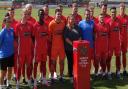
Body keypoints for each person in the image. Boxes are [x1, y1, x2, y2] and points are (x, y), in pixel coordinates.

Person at [15, 8, 34, 89]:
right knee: (19, 67)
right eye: (24, 14)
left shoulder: (30, 25)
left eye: (27, 14)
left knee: (29, 66)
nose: (26, 15)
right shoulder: (18, 25)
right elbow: (15, 38)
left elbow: (32, 37)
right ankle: (18, 83)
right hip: (21, 51)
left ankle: (29, 81)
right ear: (22, 14)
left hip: (28, 51)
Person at [33, 9, 50, 89]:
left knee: (43, 64)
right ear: (38, 15)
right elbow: (32, 38)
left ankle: (43, 79)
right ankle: (35, 81)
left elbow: (47, 35)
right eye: (40, 14)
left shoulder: (46, 24)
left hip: (44, 49)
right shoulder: (35, 25)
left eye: (43, 14)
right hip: (37, 49)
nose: (42, 15)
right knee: (36, 65)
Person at [49, 8, 65, 83]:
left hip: (61, 47)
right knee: (53, 63)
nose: (59, 15)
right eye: (57, 14)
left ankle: (61, 76)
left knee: (62, 62)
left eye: (60, 14)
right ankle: (52, 77)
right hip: (54, 47)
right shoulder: (51, 24)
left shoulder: (63, 23)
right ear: (55, 15)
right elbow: (49, 37)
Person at [63, 14, 81, 83]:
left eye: (73, 19)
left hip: (76, 49)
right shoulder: (66, 28)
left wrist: (77, 44)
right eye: (71, 19)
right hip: (69, 49)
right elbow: (66, 38)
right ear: (68, 20)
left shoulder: (77, 27)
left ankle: (76, 75)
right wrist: (73, 45)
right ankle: (70, 76)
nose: (72, 20)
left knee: (76, 62)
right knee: (70, 62)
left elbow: (80, 37)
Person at [106, 7, 121, 80]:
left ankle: (118, 72)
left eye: (114, 12)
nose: (113, 13)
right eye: (112, 12)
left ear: (116, 12)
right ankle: (108, 73)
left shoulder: (119, 21)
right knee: (109, 58)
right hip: (110, 43)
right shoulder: (108, 21)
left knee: (118, 57)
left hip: (117, 43)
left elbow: (121, 31)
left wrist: (120, 40)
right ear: (110, 13)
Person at [0, 16, 14, 89]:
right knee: (3, 72)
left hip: (11, 54)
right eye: (8, 22)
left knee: (10, 70)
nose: (9, 23)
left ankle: (8, 83)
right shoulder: (2, 32)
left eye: (10, 22)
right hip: (4, 56)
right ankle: (1, 86)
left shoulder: (12, 30)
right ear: (4, 22)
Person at [94, 13, 109, 78]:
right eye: (100, 18)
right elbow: (94, 35)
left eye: (102, 18)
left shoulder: (107, 26)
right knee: (97, 61)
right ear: (98, 19)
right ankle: (96, 73)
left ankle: (103, 73)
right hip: (98, 47)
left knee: (104, 61)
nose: (102, 19)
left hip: (105, 47)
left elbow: (109, 35)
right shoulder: (96, 26)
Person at [117, 3, 128, 77]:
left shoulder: (127, 17)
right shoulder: (117, 18)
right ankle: (118, 70)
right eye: (121, 8)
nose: (122, 10)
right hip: (118, 40)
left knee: (124, 55)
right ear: (119, 9)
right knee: (118, 55)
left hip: (125, 40)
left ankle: (124, 69)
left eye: (123, 8)